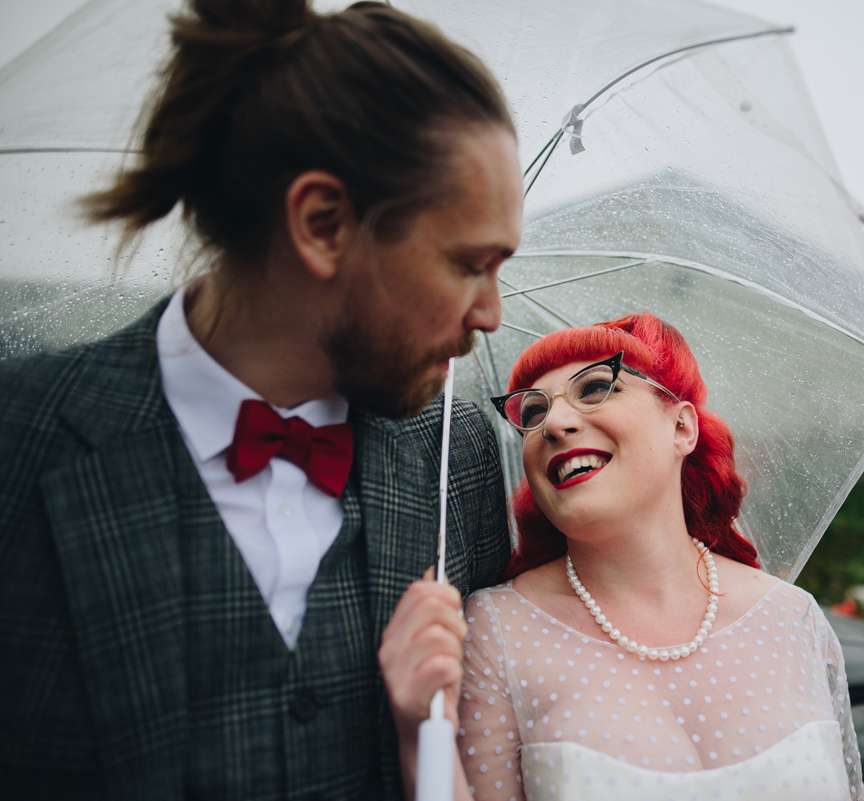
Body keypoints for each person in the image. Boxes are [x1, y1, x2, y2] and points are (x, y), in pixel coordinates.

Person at [0, 1, 522, 799]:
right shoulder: (21, 437)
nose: (490, 313)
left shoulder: (461, 457)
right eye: (469, 264)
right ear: (322, 223)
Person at [381, 314, 864, 800]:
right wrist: (419, 736)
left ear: (682, 427)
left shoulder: (793, 617)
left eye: (595, 388)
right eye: (532, 412)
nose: (554, 424)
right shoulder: (497, 632)